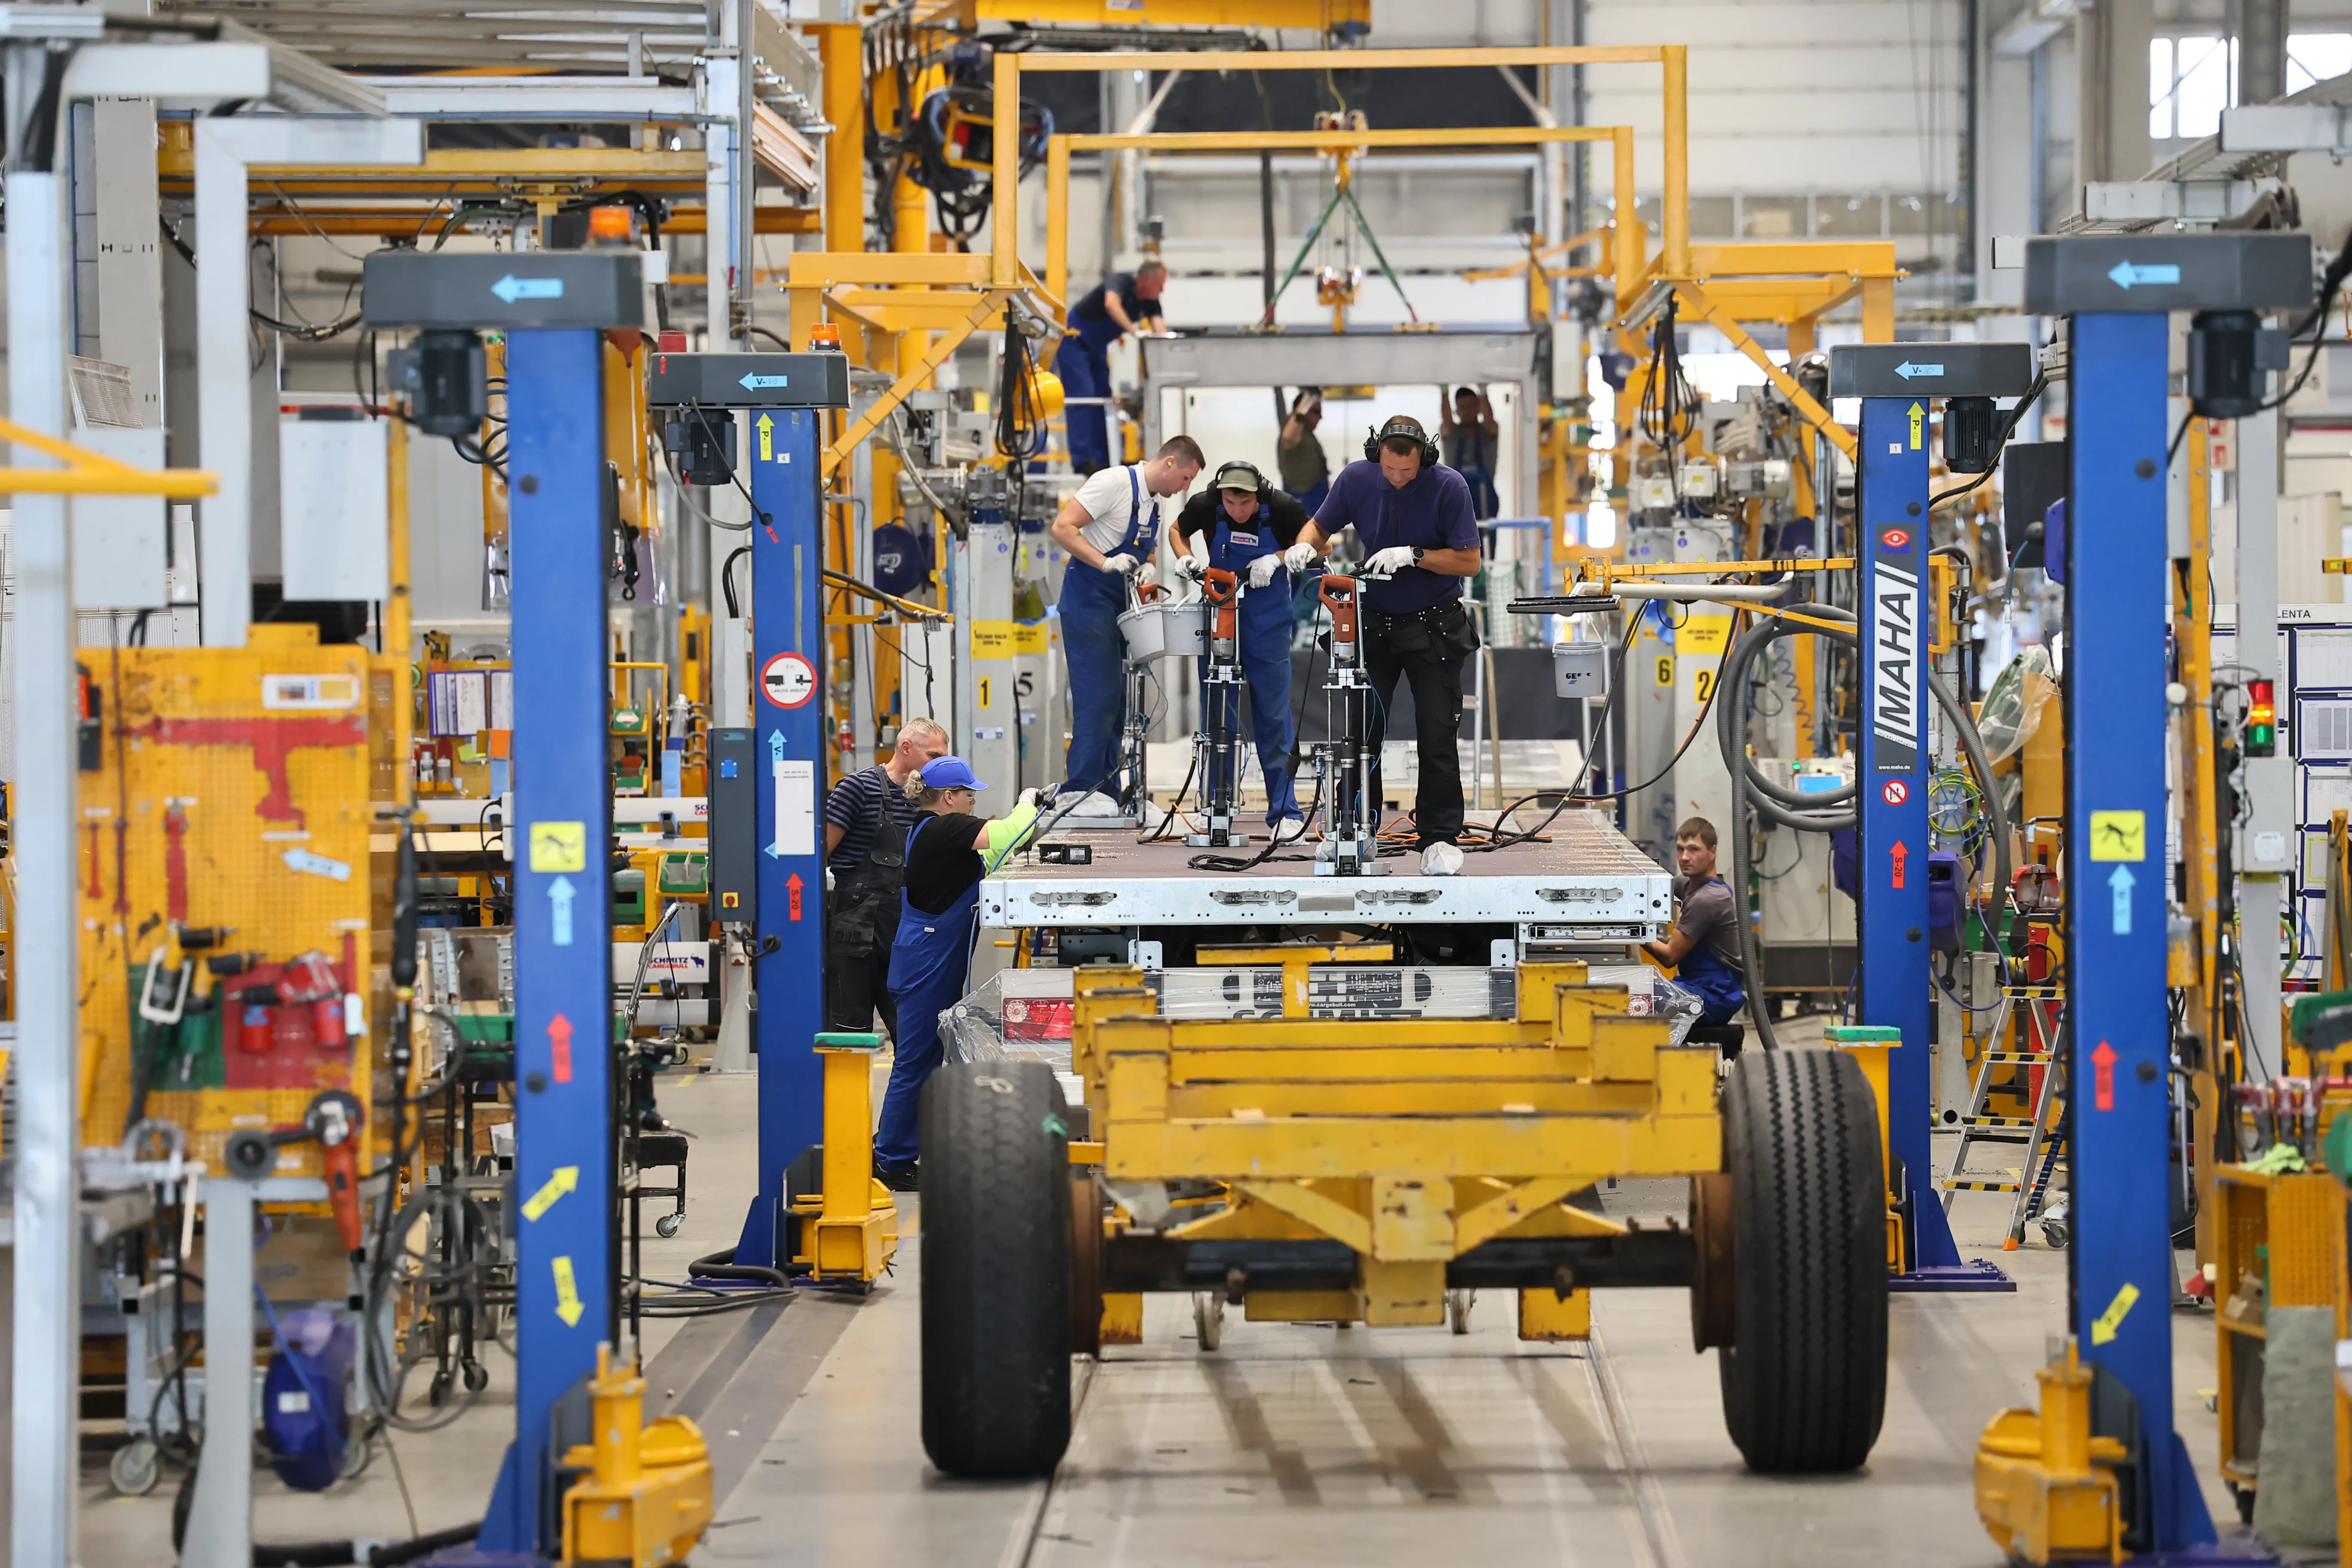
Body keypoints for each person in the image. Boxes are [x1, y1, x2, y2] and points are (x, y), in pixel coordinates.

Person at [1280, 415, 1481, 848]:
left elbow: (1469, 563)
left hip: (1434, 626)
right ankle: (1355, 827)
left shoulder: (1450, 487)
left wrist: (1415, 555)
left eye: (1407, 472)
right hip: (1375, 623)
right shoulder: (1357, 479)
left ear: (1424, 460)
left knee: (1436, 735)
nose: (1396, 479)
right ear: (1377, 457)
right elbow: (1320, 526)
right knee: (1360, 734)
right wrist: (1304, 543)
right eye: (1389, 469)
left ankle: (1440, 837)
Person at [873, 757, 1042, 1189]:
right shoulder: (944, 828)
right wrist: (1029, 802)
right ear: (949, 797)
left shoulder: (934, 832)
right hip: (925, 962)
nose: (972, 803)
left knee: (927, 1058)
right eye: (970, 795)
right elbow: (1009, 833)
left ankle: (902, 1146)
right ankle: (890, 1160)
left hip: (927, 958)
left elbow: (993, 850)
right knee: (914, 1061)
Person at [1049, 434, 1206, 809]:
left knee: (1120, 701)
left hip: (1121, 603)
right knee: (1097, 697)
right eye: (1185, 478)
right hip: (1089, 600)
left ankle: (1107, 792)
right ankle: (1080, 789)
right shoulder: (1113, 483)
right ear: (1170, 462)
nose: (1185, 488)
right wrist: (1103, 562)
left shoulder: (1155, 504)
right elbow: (1063, 528)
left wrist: (1150, 565)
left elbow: (1147, 547)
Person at [1171, 460, 1309, 837]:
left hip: (1268, 624)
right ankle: (1215, 805)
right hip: (1221, 616)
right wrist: (1184, 556)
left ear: (1258, 494)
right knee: (1217, 715)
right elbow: (1176, 530)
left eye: (1245, 503)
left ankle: (1285, 813)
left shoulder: (1282, 508)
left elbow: (1320, 541)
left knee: (1273, 716)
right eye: (1230, 503)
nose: (1237, 511)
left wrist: (1278, 558)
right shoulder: (1205, 505)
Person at [821, 716, 949, 1038]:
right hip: (853, 929)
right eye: (934, 756)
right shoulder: (857, 788)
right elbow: (819, 853)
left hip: (904, 930)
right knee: (848, 1032)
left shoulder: (928, 800)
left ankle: (908, 1091)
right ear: (906, 748)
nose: (940, 764)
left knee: (911, 1031)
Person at [1056, 260, 1170, 474]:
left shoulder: (1151, 302)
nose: (1162, 290)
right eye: (1160, 284)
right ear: (1146, 279)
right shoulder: (1122, 282)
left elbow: (1161, 331)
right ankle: (1082, 459)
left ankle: (1107, 460)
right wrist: (1134, 331)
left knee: (1104, 400)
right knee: (1085, 396)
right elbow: (1111, 304)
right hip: (1074, 341)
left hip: (1097, 348)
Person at [1641, 816, 1749, 1029]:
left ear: (1713, 852)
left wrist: (1631, 930)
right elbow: (1658, 886)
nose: (1685, 857)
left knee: (1632, 1001)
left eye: (1694, 850)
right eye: (1680, 850)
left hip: (1713, 997)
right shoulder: (1691, 885)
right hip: (1695, 986)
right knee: (1634, 991)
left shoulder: (1707, 899)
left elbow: (1670, 957)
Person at [1439, 385, 1501, 520]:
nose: (1467, 411)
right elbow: (1447, 421)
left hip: (1485, 498)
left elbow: (1490, 422)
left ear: (1479, 408)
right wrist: (1444, 390)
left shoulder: (1487, 433)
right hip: (1457, 499)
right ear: (1457, 410)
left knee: (1486, 537)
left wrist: (1483, 391)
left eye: (1472, 406)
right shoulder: (1452, 434)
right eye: (1463, 407)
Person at [1277, 387, 1331, 513]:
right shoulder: (1294, 430)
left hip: (1315, 500)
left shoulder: (1308, 435)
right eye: (1317, 412)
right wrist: (1309, 399)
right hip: (1303, 503)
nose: (1321, 417)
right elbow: (1288, 439)